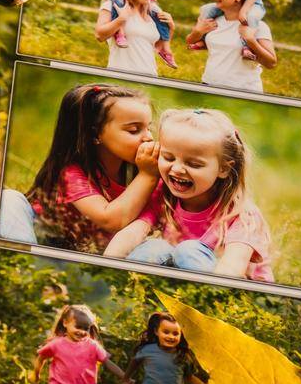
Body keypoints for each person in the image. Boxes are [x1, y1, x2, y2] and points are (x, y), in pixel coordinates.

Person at [104, 108, 274, 282]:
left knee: (189, 250)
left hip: (232, 294)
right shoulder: (162, 195)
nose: (177, 169)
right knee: (154, 248)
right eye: (168, 158)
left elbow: (232, 268)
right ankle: (132, 292)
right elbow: (132, 233)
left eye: (193, 164)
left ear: (223, 168)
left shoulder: (242, 215)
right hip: (183, 283)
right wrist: (107, 267)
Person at [0, 82, 160, 252]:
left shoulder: (142, 172)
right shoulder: (71, 173)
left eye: (149, 127)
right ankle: (20, 261)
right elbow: (110, 220)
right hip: (44, 242)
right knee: (9, 199)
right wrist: (147, 175)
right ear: (95, 134)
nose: (148, 137)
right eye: (134, 130)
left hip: (81, 263)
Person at [32, 304, 128, 384]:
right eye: (78, 327)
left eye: (86, 328)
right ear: (65, 323)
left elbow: (107, 362)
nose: (82, 332)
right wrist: (36, 374)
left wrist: (124, 376)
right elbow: (41, 357)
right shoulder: (57, 344)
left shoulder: (92, 346)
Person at [199, 0, 277, 93]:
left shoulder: (258, 26)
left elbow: (271, 63)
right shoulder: (212, 22)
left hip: (243, 91)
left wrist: (251, 41)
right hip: (208, 85)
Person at [96, 0, 160, 78]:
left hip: (150, 76)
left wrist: (171, 27)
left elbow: (156, 47)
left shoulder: (151, 13)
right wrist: (121, 19)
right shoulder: (112, 7)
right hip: (121, 75)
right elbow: (100, 35)